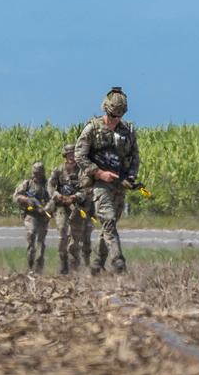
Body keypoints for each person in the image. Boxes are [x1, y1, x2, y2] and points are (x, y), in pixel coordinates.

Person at [74, 87, 140, 275]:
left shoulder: (128, 131)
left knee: (108, 228)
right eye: (112, 115)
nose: (115, 120)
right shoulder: (92, 129)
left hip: (119, 184)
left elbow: (134, 157)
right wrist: (99, 173)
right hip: (99, 184)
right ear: (106, 110)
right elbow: (80, 156)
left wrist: (131, 177)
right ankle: (118, 261)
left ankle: (96, 264)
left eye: (119, 116)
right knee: (108, 220)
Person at [49, 144, 92, 274]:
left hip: (77, 208)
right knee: (63, 233)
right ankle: (63, 262)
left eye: (73, 154)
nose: (71, 157)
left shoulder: (82, 171)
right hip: (62, 207)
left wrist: (75, 197)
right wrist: (57, 195)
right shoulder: (58, 170)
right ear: (65, 156)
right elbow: (50, 185)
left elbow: (87, 188)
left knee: (74, 239)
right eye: (69, 155)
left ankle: (74, 266)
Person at [13, 161, 52, 274]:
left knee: (41, 242)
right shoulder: (27, 183)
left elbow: (53, 198)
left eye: (39, 173)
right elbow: (15, 196)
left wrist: (45, 209)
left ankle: (39, 268)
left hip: (43, 215)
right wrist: (25, 199)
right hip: (30, 215)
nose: (37, 176)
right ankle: (30, 266)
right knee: (31, 235)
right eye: (35, 173)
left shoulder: (47, 185)